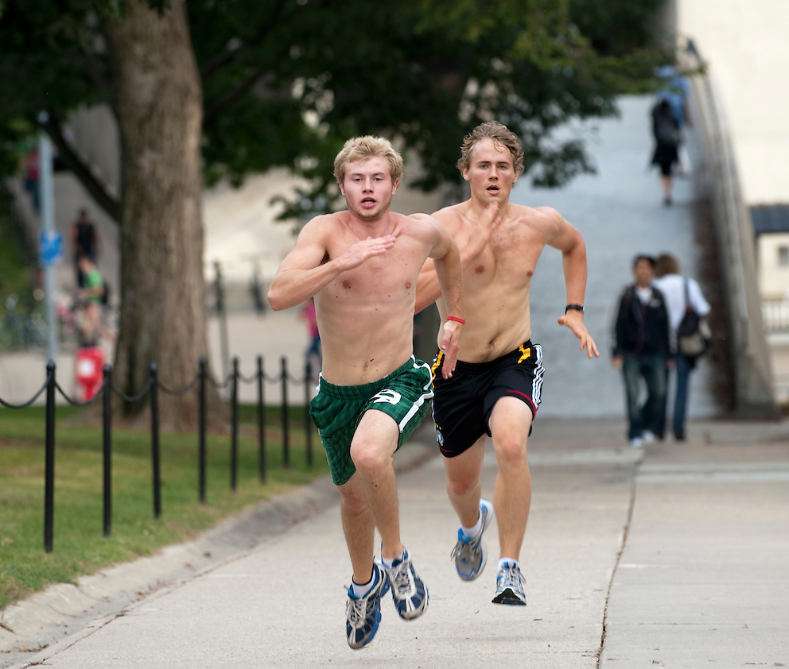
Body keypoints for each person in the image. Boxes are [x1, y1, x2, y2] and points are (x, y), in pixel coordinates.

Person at [267, 136, 464, 650]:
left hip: (399, 377)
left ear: (394, 184)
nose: (368, 187)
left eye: (378, 178)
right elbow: (278, 294)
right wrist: (339, 264)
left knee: (369, 453)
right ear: (342, 184)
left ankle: (396, 562)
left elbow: (451, 255)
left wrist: (454, 318)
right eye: (358, 178)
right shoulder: (324, 232)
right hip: (337, 392)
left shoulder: (419, 231)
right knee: (354, 502)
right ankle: (364, 583)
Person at [415, 121, 599, 607]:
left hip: (513, 359)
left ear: (516, 173)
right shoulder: (440, 227)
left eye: (502, 166)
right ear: (466, 172)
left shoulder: (537, 223)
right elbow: (411, 297)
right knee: (460, 481)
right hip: (457, 369)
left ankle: (509, 568)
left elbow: (575, 246)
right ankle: (472, 525)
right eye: (483, 166)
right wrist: (466, 252)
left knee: (512, 444)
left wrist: (575, 310)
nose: (492, 174)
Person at [611, 255, 671, 447]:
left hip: (655, 353)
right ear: (634, 271)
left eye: (646, 268)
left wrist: (669, 354)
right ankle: (634, 432)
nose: (643, 272)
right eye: (639, 268)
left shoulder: (658, 296)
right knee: (632, 394)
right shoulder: (628, 296)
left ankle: (644, 424)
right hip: (630, 353)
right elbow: (618, 325)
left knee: (659, 392)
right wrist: (617, 352)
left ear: (653, 272)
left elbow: (665, 327)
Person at [653, 253, 710, 441]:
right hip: (685, 340)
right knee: (682, 387)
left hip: (662, 342)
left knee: (661, 387)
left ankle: (659, 429)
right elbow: (703, 309)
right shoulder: (688, 284)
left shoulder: (656, 287)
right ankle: (678, 428)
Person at [650, 99, 682, 206]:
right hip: (671, 147)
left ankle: (665, 193)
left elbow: (654, 132)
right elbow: (678, 129)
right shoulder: (672, 116)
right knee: (669, 172)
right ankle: (669, 193)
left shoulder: (657, 117)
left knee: (663, 172)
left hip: (661, 147)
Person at [76, 254, 105, 346]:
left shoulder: (92, 274)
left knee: (90, 326)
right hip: (89, 303)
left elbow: (99, 290)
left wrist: (85, 293)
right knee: (96, 327)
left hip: (93, 303)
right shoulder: (87, 275)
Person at [71, 209, 99, 288]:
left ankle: (90, 285)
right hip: (80, 252)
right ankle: (82, 286)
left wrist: (96, 249)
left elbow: (94, 237)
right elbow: (74, 238)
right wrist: (77, 247)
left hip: (88, 250)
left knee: (90, 269)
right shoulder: (77, 226)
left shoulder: (90, 226)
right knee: (80, 271)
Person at [301, 297, 321, 376]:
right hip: (313, 335)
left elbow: (315, 321)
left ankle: (309, 370)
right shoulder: (308, 309)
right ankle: (320, 370)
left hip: (317, 336)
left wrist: (310, 317)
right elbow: (300, 317)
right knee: (317, 354)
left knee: (308, 353)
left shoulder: (313, 309)